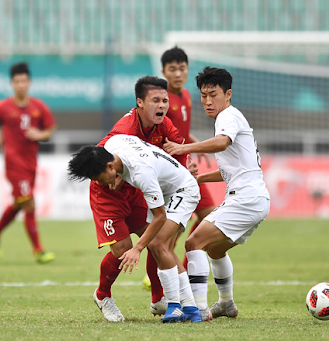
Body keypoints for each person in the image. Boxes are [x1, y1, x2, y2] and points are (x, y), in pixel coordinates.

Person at [164, 66, 271, 319]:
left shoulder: (227, 117)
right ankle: (226, 304)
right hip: (255, 199)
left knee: (193, 243)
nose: (208, 101)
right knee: (214, 249)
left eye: (213, 94)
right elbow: (231, 171)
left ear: (228, 94)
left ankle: (198, 309)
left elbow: (222, 142)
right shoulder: (229, 118)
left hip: (245, 200)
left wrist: (184, 148)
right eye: (203, 95)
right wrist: (199, 178)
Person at [84, 75, 191, 322]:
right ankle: (103, 295)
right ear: (140, 103)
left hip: (136, 190)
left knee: (156, 239)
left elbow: (177, 151)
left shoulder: (164, 125)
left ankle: (158, 299)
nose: (162, 106)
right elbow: (100, 158)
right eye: (156, 101)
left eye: (165, 100)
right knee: (122, 249)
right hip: (108, 193)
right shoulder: (125, 129)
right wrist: (113, 175)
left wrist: (184, 172)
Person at [69, 134, 203, 323]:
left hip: (180, 191)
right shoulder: (115, 144)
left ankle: (178, 305)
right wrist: (122, 177)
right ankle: (187, 306)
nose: (100, 183)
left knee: (158, 243)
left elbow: (160, 216)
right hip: (162, 188)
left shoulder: (142, 174)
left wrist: (137, 248)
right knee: (154, 244)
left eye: (99, 179)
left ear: (109, 166)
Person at [141, 47, 218, 294]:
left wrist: (195, 144)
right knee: (166, 233)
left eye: (182, 68)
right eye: (172, 69)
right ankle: (161, 275)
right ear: (163, 72)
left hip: (187, 165)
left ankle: (177, 264)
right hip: (173, 173)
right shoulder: (163, 102)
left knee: (208, 215)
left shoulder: (186, 95)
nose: (177, 73)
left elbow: (180, 131)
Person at [0, 62, 57, 264]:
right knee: (29, 203)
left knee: (21, 202)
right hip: (13, 163)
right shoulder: (2, 107)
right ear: (12, 84)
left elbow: (49, 131)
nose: (21, 85)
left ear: (29, 82)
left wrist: (39, 134)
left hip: (31, 163)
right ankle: (38, 250)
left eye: (24, 81)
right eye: (17, 81)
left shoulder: (38, 107)